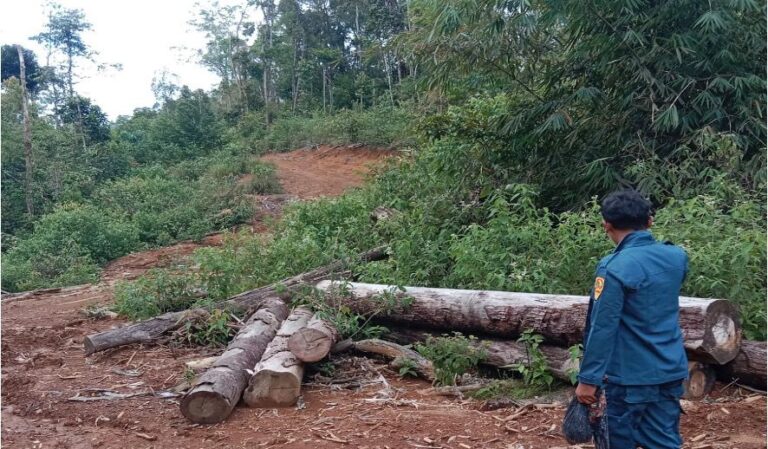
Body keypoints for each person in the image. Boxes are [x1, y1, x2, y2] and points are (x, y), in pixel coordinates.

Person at [575, 190, 689, 449]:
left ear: (607, 226)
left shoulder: (613, 267)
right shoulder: (677, 257)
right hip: (670, 370)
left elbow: (603, 328)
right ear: (649, 222)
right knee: (663, 442)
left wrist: (588, 380)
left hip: (628, 378)